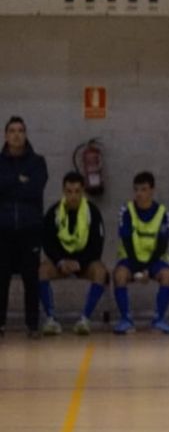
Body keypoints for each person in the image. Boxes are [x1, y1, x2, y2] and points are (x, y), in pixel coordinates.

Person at [38, 171, 108, 335]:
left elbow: (97, 245)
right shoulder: (53, 212)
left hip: (84, 263)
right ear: (64, 191)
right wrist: (61, 261)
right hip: (61, 263)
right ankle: (51, 320)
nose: (73, 196)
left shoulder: (93, 212)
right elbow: (47, 242)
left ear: (82, 191)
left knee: (100, 271)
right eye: (69, 191)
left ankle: (84, 319)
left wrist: (80, 263)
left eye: (77, 191)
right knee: (42, 270)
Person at [0, 116, 49, 339]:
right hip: (4, 229)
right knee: (1, 278)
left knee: (31, 278)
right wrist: (18, 180)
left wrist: (10, 184)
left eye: (20, 130)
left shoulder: (37, 162)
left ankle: (32, 324)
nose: (16, 134)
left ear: (26, 134)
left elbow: (34, 189)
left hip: (30, 229)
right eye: (12, 130)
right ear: (6, 135)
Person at [113, 172, 169, 334]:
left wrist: (147, 269)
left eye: (144, 189)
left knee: (168, 275)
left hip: (154, 260)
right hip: (131, 259)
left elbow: (162, 244)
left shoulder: (163, 213)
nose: (139, 194)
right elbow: (126, 241)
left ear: (152, 190)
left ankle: (159, 319)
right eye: (136, 190)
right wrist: (138, 267)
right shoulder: (126, 211)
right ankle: (126, 319)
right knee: (119, 275)